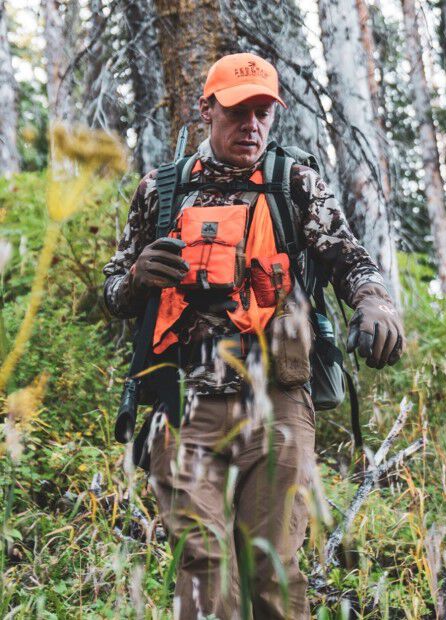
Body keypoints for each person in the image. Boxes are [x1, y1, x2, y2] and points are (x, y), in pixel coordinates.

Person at [103, 52, 404, 620]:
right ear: (206, 109)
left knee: (272, 570)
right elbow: (114, 289)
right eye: (240, 112)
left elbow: (349, 258)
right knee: (202, 568)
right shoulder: (162, 191)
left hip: (279, 401)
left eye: (264, 112)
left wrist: (373, 301)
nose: (253, 126)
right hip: (183, 402)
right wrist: (139, 276)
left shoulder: (294, 183)